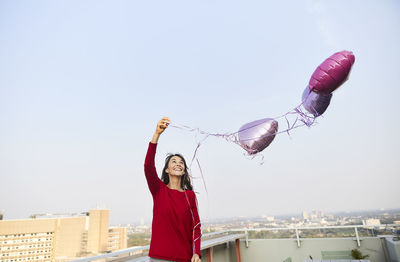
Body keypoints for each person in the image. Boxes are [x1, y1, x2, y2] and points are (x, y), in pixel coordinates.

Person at [144, 117, 201, 262]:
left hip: (184, 258)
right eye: (173, 162)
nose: (178, 164)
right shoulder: (159, 190)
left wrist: (196, 253)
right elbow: (148, 166)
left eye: (181, 162)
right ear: (167, 170)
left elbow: (196, 227)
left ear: (183, 171)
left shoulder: (190, 196)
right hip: (159, 257)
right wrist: (157, 134)